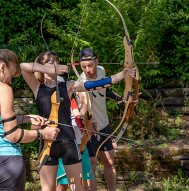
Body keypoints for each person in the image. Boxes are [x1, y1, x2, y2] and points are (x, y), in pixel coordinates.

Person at [20, 51, 136, 191]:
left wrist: (122, 74)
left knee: (78, 188)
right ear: (41, 67)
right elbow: (22, 66)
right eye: (52, 62)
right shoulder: (37, 86)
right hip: (47, 144)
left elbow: (96, 85)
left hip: (68, 143)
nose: (56, 64)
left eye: (57, 62)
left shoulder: (68, 85)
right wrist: (48, 69)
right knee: (48, 188)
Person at [0, 45, 58, 191]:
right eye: (11, 74)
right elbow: (12, 135)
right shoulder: (3, 89)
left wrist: (27, 118)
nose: (10, 81)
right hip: (6, 163)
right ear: (3, 67)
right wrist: (43, 134)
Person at [77, 48, 138, 191]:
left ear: (96, 62)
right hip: (89, 128)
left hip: (104, 124)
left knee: (109, 162)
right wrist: (90, 121)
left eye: (90, 65)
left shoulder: (101, 70)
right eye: (84, 66)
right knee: (91, 165)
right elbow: (84, 106)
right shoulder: (81, 80)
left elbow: (105, 89)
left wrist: (123, 100)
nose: (88, 70)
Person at [56, 97, 94, 191]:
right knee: (63, 184)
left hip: (80, 145)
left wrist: (84, 132)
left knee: (86, 182)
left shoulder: (72, 101)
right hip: (64, 146)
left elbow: (78, 118)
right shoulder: (54, 103)